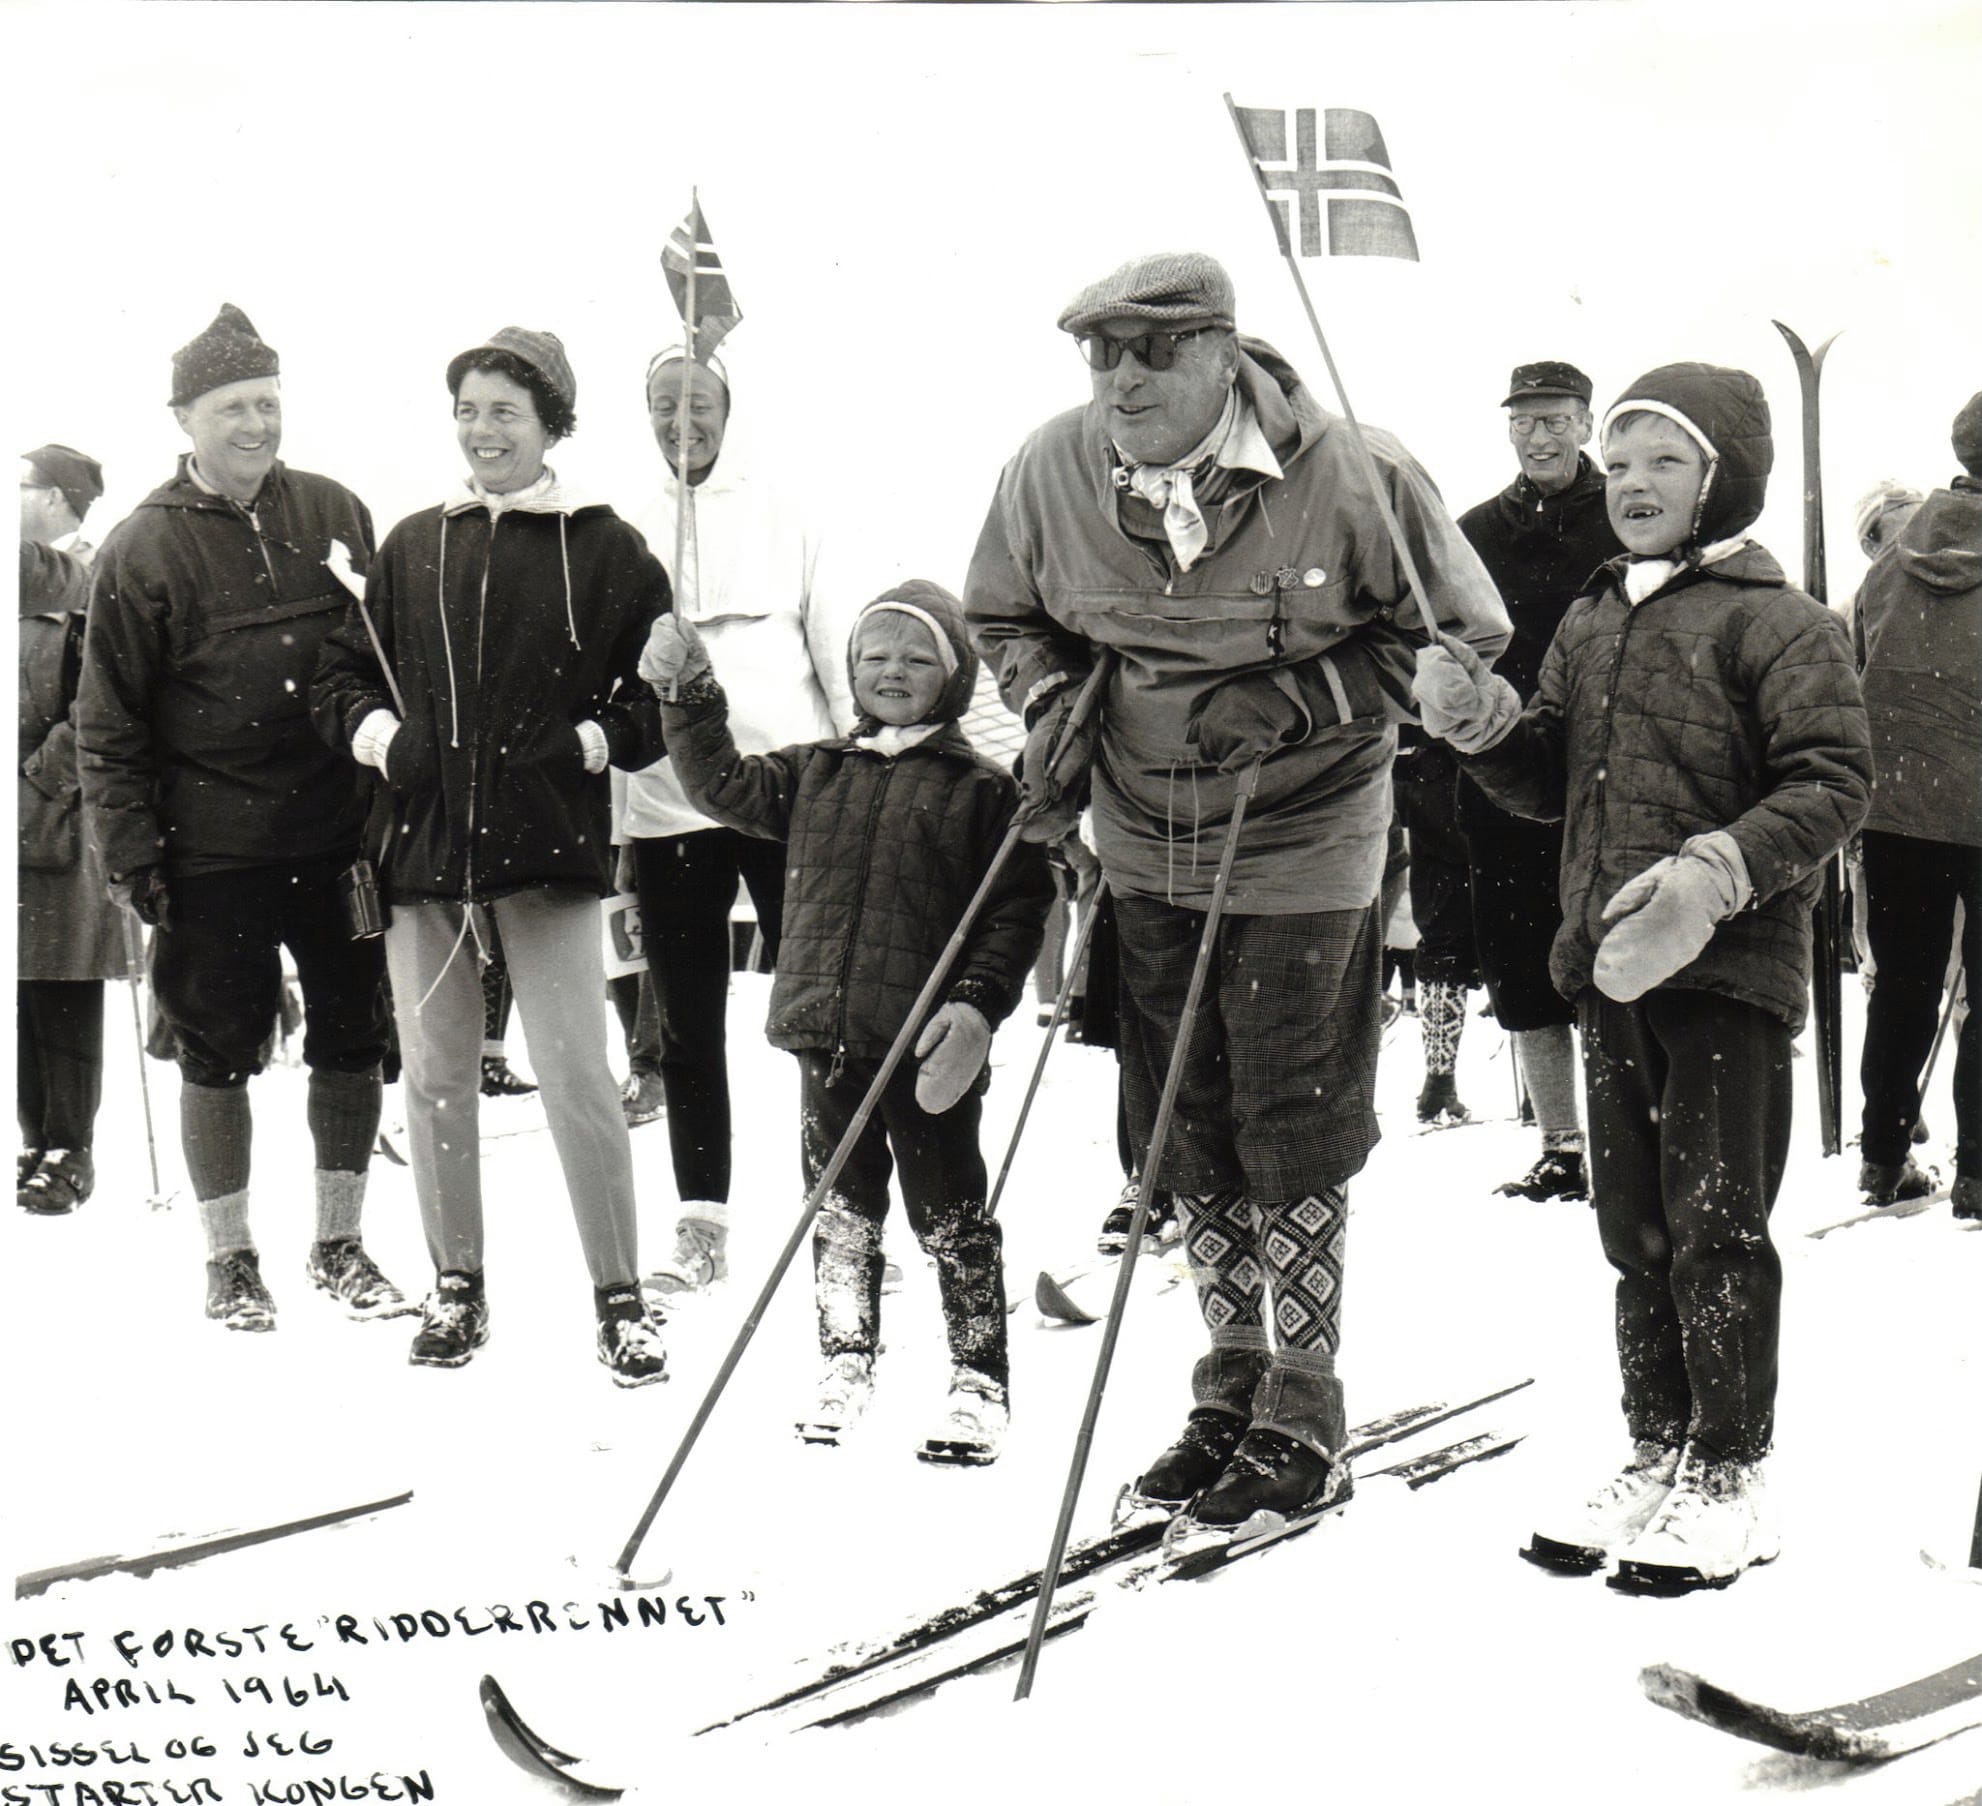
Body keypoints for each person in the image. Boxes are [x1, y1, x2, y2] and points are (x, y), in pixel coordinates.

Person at [965, 251, 1508, 1533]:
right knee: (1177, 1121)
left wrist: (1301, 695)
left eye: (1152, 351)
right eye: (1098, 353)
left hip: (1306, 835)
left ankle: (1305, 1407)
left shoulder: (1357, 473)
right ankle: (1228, 1389)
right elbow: (1004, 617)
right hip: (1147, 834)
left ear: (1222, 351)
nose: (1120, 377)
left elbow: (1455, 639)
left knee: (1288, 1110)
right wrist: (1047, 697)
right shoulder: (1050, 467)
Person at [1414, 362, 1872, 1590]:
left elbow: (1830, 781)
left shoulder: (1781, 621)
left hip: (1723, 968)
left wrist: (1717, 869)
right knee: (1635, 1230)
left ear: (1722, 475)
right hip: (1604, 966)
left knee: (1715, 1223)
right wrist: (1486, 729)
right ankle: (1655, 1446)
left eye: (1659, 461)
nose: (1627, 485)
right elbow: (1548, 781)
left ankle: (1730, 1472)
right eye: (1614, 465)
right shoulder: (1590, 612)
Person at [311, 326, 672, 1385]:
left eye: (504, 412)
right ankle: (456, 1286)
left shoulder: (605, 546)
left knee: (575, 1078)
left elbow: (657, 692)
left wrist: (588, 743)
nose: (481, 431)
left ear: (550, 423)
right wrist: (390, 742)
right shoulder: (414, 544)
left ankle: (619, 1298)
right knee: (432, 1081)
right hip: (422, 853)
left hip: (548, 852)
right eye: (467, 410)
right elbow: (342, 683)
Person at [641, 582, 1050, 1462]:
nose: (892, 673)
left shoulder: (981, 790)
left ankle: (979, 1378)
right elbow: (719, 784)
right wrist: (691, 696)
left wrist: (977, 1005)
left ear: (952, 675)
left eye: (915, 659)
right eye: (875, 658)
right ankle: (845, 1361)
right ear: (850, 672)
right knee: (840, 1212)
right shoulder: (813, 772)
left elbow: (1016, 909)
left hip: (928, 1042)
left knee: (951, 1214)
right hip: (826, 1036)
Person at [77, 306, 403, 1328]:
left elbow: (394, 667)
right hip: (210, 849)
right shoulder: (143, 546)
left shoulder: (336, 511)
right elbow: (108, 719)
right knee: (215, 1050)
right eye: (232, 408)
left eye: (267, 402)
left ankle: (341, 1244)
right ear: (187, 418)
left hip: (339, 837)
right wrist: (132, 854)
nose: (256, 425)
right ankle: (229, 1259)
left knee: (352, 1039)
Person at [623, 343, 856, 1296]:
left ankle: (843, 1203)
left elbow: (836, 648)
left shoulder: (788, 512)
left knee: (818, 1006)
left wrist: (857, 763)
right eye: (664, 404)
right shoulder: (623, 526)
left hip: (780, 791)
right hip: (668, 801)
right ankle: (701, 1221)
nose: (684, 421)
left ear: (731, 408)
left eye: (700, 402)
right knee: (685, 1021)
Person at [1453, 362, 1626, 1197]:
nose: (1540, 436)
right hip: (1502, 775)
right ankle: (1563, 1143)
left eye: (1557, 419)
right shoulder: (1474, 532)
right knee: (1520, 960)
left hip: (1612, 771)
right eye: (1525, 421)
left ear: (1587, 424)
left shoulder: (1627, 522)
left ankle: (1630, 1124)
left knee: (1615, 947)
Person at [1849, 394, 1981, 1219]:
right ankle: (1979, 1172)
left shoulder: (1891, 558)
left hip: (1894, 803)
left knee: (1902, 988)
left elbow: (1858, 664)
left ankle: (1885, 1155)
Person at [18, 443, 127, 1213]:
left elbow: (98, 700)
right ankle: (34, 1141)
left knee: (65, 979)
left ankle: (70, 1147)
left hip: (59, 810)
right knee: (23, 981)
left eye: (23, 488)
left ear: (57, 499)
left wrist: (37, 783)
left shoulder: (90, 581)